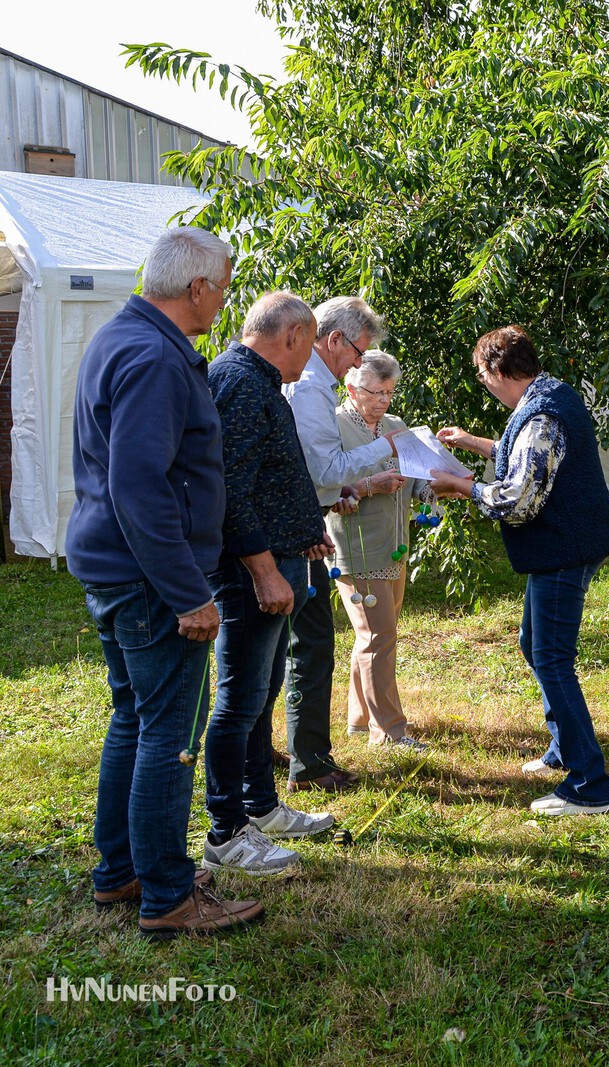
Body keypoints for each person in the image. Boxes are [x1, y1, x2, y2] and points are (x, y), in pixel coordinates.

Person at [66, 225, 263, 938]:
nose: (225, 300)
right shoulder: (153, 354)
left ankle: (121, 869)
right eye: (225, 286)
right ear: (198, 287)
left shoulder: (125, 335)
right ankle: (168, 894)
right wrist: (188, 592)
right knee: (168, 736)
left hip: (118, 566)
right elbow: (139, 485)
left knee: (135, 719)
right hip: (151, 578)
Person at [432, 325, 609, 816]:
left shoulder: (541, 415)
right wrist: (472, 442)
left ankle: (590, 785)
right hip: (568, 542)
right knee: (532, 643)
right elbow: (528, 457)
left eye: (481, 375)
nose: (483, 383)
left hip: (564, 546)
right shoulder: (549, 394)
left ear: (498, 370)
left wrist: (461, 488)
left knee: (553, 658)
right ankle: (563, 750)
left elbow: (518, 500)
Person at [204, 292, 342, 878]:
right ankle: (226, 829)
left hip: (277, 558)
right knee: (239, 699)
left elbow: (270, 476)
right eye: (310, 344)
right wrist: (263, 567)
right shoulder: (239, 381)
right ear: (291, 336)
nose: (309, 358)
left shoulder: (260, 380)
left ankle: (260, 806)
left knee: (259, 695)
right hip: (246, 573)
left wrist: (304, 531)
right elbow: (229, 485)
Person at [282, 296, 404, 792]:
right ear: (334, 341)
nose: (358, 362)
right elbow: (325, 469)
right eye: (358, 354)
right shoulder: (315, 394)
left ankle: (333, 736)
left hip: (371, 536)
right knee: (338, 642)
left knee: (344, 640)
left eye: (389, 392)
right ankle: (357, 741)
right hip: (329, 542)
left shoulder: (313, 386)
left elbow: (319, 477)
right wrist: (376, 462)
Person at [328, 349, 428, 750]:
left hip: (394, 544)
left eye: (389, 392)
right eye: (375, 392)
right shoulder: (332, 425)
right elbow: (323, 481)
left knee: (374, 635)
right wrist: (371, 486)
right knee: (378, 637)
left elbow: (417, 473)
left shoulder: (396, 425)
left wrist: (433, 484)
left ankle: (359, 718)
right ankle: (389, 732)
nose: (383, 401)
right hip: (355, 545)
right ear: (351, 387)